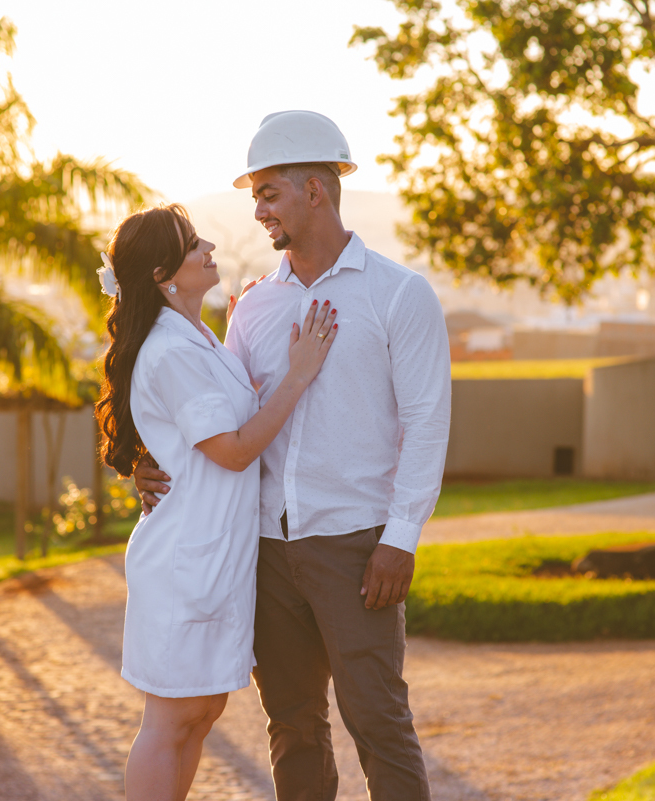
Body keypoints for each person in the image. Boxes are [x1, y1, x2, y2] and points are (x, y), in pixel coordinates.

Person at [135, 111, 451, 799]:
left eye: (268, 193)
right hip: (266, 553)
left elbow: (428, 423)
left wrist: (400, 538)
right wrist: (146, 458)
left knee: (378, 721)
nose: (257, 211)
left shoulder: (400, 294)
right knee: (294, 724)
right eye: (253, 196)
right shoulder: (251, 308)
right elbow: (213, 408)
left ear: (316, 189)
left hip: (356, 546)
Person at [94, 203, 338, 801]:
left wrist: (241, 322)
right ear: (161, 274)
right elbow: (231, 450)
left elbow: (213, 414)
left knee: (200, 714)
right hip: (185, 564)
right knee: (171, 721)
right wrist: (298, 375)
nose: (208, 246)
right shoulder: (171, 349)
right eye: (191, 243)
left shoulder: (196, 336)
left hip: (214, 558)